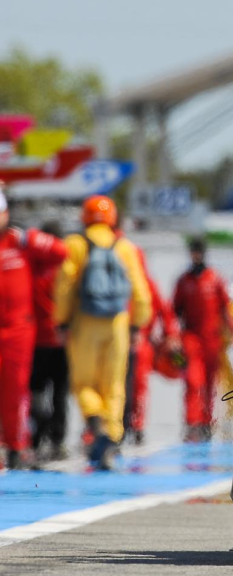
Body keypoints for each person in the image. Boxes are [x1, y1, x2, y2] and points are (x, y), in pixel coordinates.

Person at [54, 195, 151, 469]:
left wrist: (61, 322)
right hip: (118, 322)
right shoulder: (125, 247)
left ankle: (95, 423)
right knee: (115, 384)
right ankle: (111, 438)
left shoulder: (75, 244)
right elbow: (141, 294)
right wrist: (136, 326)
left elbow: (64, 288)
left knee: (83, 383)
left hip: (85, 322)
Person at [0, 188, 67, 469]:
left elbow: (60, 252)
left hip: (18, 333)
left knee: (16, 393)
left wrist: (30, 237)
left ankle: (17, 447)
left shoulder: (20, 242)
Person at [122, 226, 180, 446]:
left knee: (138, 387)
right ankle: (115, 427)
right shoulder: (118, 282)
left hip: (141, 344)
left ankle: (136, 426)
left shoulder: (148, 285)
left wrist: (171, 337)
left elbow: (166, 313)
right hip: (116, 342)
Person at [173, 236, 233, 442]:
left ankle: (206, 422)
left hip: (212, 340)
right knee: (193, 381)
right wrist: (173, 338)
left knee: (209, 384)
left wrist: (232, 332)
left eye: (199, 252)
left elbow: (226, 309)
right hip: (191, 340)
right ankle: (192, 422)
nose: (196, 256)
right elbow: (174, 311)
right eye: (193, 252)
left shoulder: (215, 279)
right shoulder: (184, 281)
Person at [27, 220, 70, 462]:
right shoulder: (66, 269)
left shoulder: (31, 266)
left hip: (36, 341)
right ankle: (58, 440)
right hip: (61, 341)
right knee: (59, 393)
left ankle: (38, 435)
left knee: (36, 391)